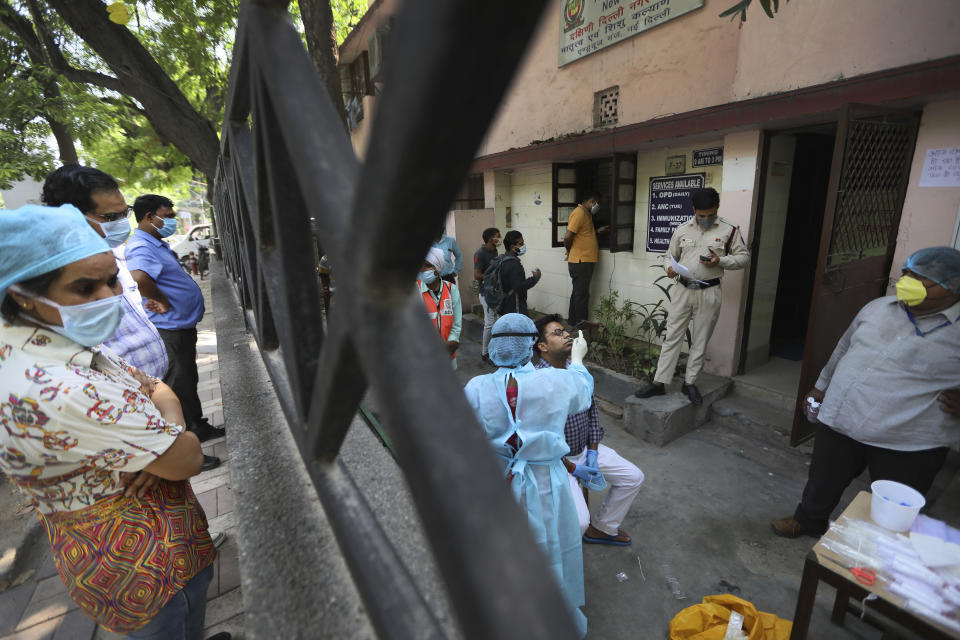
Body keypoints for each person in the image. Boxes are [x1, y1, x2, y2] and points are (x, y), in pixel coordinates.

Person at [0, 205, 228, 640]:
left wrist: (161, 414)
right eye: (85, 288)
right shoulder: (61, 386)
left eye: (110, 279)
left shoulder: (46, 344)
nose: (109, 297)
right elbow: (186, 459)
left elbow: (158, 389)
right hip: (147, 568)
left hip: (126, 557)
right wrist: (167, 420)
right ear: (21, 296)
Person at [772, 247, 960, 538]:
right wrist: (821, 386)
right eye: (907, 273)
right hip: (843, 417)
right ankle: (808, 520)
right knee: (823, 479)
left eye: (921, 278)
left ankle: (877, 556)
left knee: (894, 509)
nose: (906, 282)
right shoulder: (877, 307)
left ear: (954, 286)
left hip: (907, 439)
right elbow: (844, 347)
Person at [463, 314, 594, 637]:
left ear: (495, 347)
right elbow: (583, 392)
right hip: (547, 481)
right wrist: (577, 360)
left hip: (498, 482)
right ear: (529, 345)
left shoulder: (476, 388)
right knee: (550, 547)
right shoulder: (555, 381)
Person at [40, 165, 169, 379]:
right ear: (72, 216)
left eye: (124, 213)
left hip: (154, 387)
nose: (122, 223)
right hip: (116, 399)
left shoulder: (116, 254)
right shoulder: (53, 277)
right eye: (110, 218)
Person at [534, 314, 645, 545]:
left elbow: (592, 413)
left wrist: (592, 452)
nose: (566, 334)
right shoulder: (538, 381)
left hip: (584, 451)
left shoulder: (577, 370)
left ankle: (603, 528)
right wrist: (573, 467)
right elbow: (542, 442)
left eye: (565, 331)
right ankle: (557, 556)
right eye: (557, 332)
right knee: (579, 522)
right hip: (558, 462)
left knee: (633, 477)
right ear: (542, 346)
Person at [635, 187, 749, 405]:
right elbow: (670, 256)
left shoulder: (730, 230)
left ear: (717, 208)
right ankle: (659, 383)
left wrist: (721, 261)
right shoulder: (682, 229)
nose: (706, 219)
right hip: (682, 290)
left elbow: (744, 258)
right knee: (672, 337)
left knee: (700, 339)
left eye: (710, 214)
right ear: (694, 209)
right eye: (701, 215)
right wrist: (669, 268)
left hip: (709, 291)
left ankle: (690, 384)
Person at [126, 194, 225, 443]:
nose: (171, 221)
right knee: (178, 382)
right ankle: (187, 440)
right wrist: (163, 300)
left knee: (187, 378)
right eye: (167, 216)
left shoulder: (155, 242)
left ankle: (197, 426)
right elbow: (139, 278)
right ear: (149, 217)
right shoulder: (141, 245)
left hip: (180, 325)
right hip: (168, 327)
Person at [564, 191, 608, 328]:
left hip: (583, 260)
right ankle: (581, 325)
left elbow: (583, 235)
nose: (597, 206)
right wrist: (569, 250)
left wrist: (596, 232)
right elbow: (568, 236)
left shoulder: (586, 214)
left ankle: (572, 321)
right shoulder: (579, 213)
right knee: (582, 294)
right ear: (591, 201)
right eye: (597, 203)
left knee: (578, 292)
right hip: (580, 261)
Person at [418, 247, 462, 368]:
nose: (422, 270)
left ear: (437, 269)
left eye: (426, 265)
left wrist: (452, 341)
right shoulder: (415, 291)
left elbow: (456, 324)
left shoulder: (451, 289)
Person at [473, 227, 501, 363]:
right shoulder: (480, 253)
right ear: (491, 238)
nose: (499, 237)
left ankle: (492, 350)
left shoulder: (494, 250)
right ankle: (485, 353)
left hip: (494, 293)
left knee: (495, 323)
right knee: (489, 324)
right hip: (485, 293)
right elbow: (477, 275)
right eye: (497, 236)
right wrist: (490, 278)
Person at [499, 230, 541, 316]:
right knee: (519, 328)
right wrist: (535, 278)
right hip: (515, 306)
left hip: (507, 304)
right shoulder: (513, 264)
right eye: (521, 244)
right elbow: (519, 287)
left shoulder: (504, 259)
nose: (523, 246)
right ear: (512, 247)